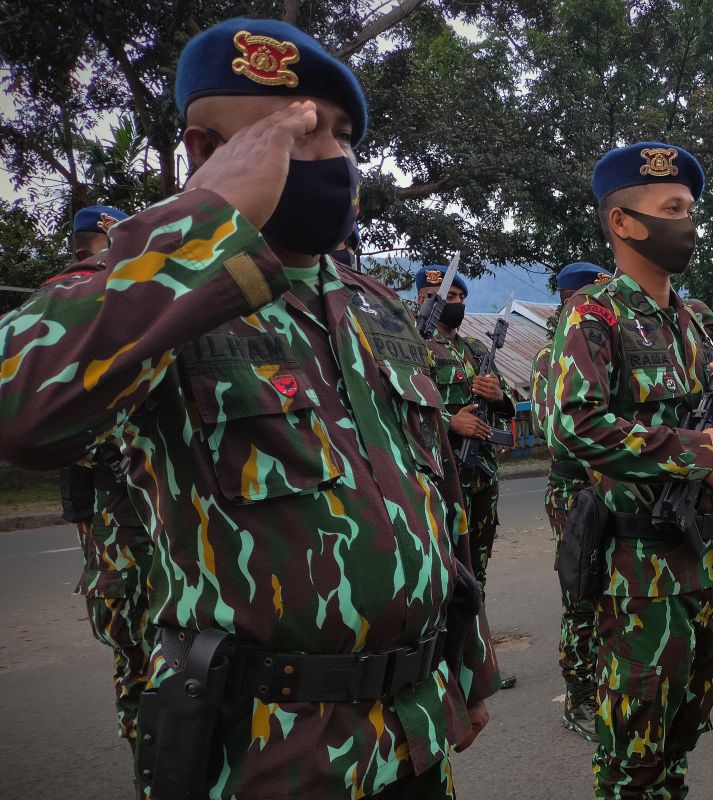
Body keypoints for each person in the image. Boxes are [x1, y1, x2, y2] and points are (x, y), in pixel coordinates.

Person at [0, 18, 497, 798]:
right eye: (294, 132)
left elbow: (432, 498)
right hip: (262, 751)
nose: (330, 155)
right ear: (205, 151)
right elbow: (20, 412)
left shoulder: (378, 309)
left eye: (339, 133)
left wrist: (470, 659)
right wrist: (208, 218)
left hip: (411, 736)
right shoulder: (158, 291)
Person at [547, 141, 713, 798]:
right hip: (636, 577)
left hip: (701, 564)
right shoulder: (595, 313)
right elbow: (572, 425)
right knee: (632, 757)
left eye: (691, 210)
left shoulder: (696, 323)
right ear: (624, 222)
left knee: (682, 734)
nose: (688, 223)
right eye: (673, 208)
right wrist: (689, 449)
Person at [49, 205, 159, 751]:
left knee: (157, 666)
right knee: (144, 668)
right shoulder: (78, 298)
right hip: (120, 526)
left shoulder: (104, 298)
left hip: (137, 523)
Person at [416, 267, 518, 690]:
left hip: (482, 477)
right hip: (440, 475)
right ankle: (435, 669)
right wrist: (448, 422)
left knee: (477, 571)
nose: (449, 301)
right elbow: (398, 408)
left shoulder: (477, 348)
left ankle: (475, 665)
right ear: (420, 298)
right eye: (437, 293)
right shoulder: (412, 345)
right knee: (442, 573)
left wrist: (498, 396)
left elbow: (510, 407)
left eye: (457, 295)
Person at [529, 260, 612, 740]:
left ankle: (600, 684)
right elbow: (556, 431)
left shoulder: (601, 349)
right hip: (575, 492)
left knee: (607, 593)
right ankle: (578, 699)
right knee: (581, 594)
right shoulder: (550, 357)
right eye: (591, 298)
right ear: (570, 300)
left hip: (607, 489)